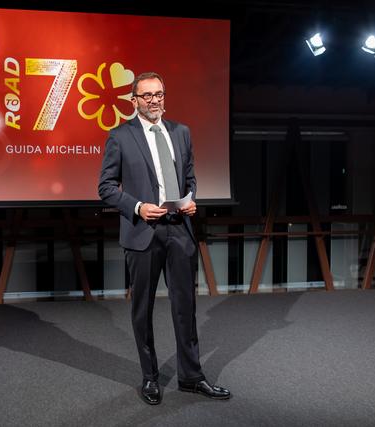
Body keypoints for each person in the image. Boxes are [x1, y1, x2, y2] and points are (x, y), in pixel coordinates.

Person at [98, 72, 231, 405]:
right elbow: (106, 188)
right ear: (134, 100)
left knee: (186, 307)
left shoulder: (181, 132)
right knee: (142, 310)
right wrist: (138, 207)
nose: (154, 100)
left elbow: (190, 178)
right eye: (147, 95)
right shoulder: (120, 136)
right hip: (143, 233)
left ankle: (191, 377)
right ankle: (150, 378)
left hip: (179, 230)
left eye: (159, 94)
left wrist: (190, 199)